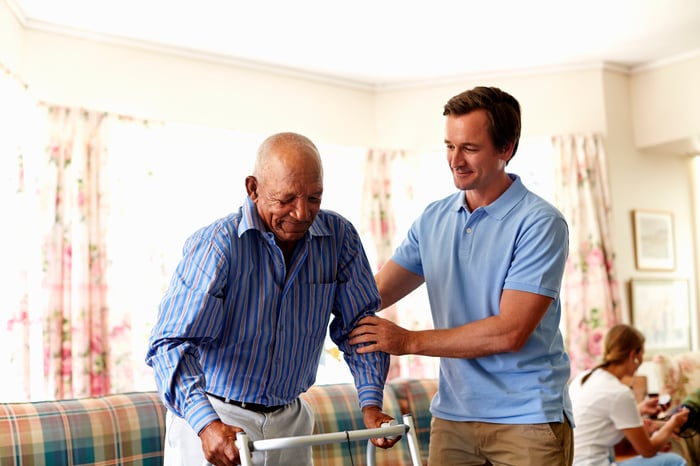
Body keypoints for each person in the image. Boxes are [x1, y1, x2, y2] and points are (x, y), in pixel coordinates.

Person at [348, 86, 574, 465]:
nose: (456, 160)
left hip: (527, 417)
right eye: (449, 146)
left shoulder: (539, 223)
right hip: (453, 416)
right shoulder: (433, 219)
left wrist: (407, 341)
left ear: (506, 149)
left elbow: (510, 331)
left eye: (470, 147)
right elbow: (372, 293)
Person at [146, 132, 398, 466]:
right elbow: (170, 344)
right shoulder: (218, 247)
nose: (301, 212)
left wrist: (371, 405)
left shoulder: (340, 238)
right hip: (217, 414)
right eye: (286, 199)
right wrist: (206, 425)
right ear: (253, 189)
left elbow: (360, 327)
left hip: (291, 418)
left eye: (314, 198)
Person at [568, 324, 689, 465]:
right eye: (641, 354)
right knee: (675, 461)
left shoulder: (583, 378)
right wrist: (672, 423)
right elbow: (648, 451)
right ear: (633, 355)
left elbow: (599, 418)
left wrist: (638, 409)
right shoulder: (618, 393)